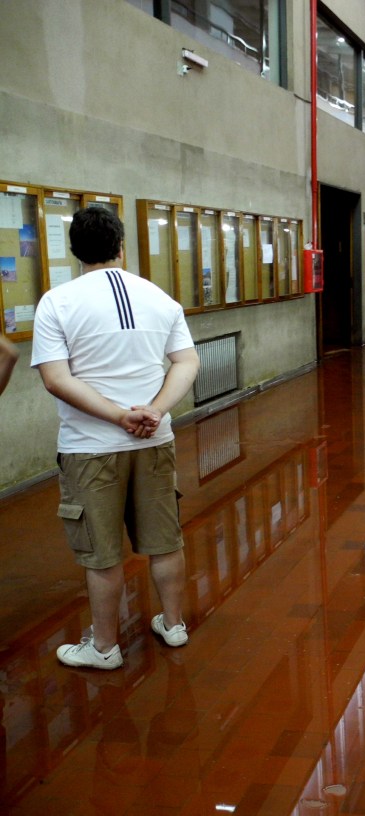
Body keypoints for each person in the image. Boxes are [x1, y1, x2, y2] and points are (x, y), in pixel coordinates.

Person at [31, 207, 200, 670]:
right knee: (165, 540)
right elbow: (186, 362)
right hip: (154, 440)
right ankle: (174, 624)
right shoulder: (159, 298)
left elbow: (56, 379)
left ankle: (104, 647)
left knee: (102, 552)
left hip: (90, 447)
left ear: (74, 251)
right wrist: (154, 411)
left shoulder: (57, 302)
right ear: (121, 246)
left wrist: (118, 416)